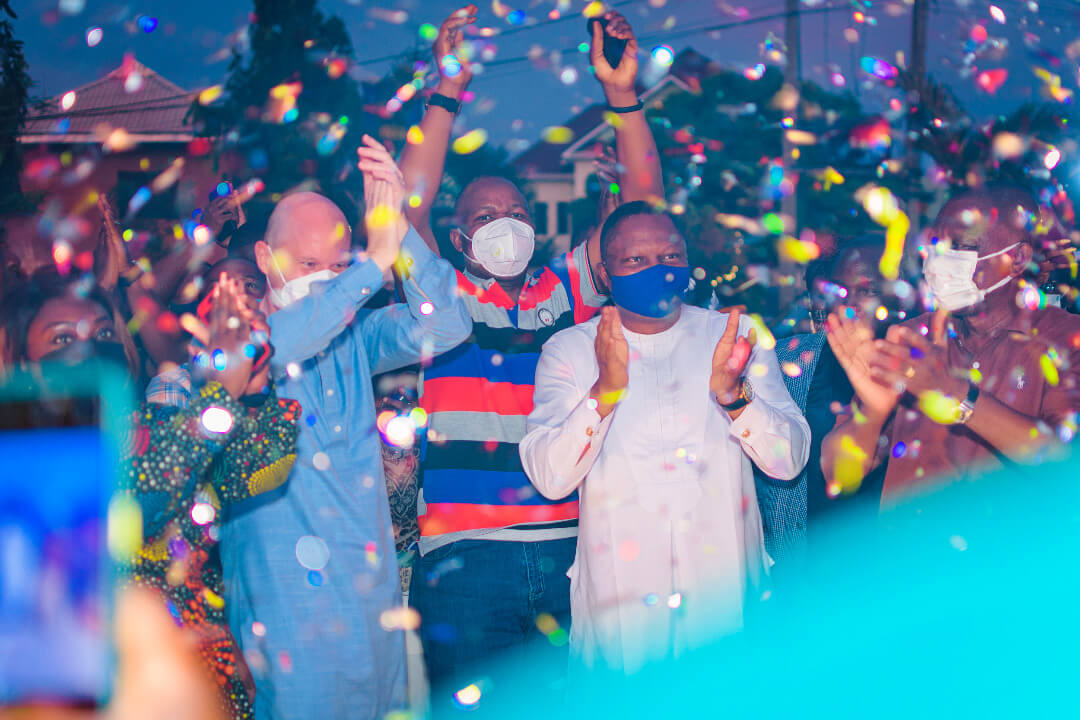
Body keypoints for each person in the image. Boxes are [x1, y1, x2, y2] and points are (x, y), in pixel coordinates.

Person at [399, 7, 664, 685]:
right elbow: (404, 207)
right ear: (458, 239)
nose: (506, 225)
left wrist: (622, 95)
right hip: (464, 560)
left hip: (570, 549)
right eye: (486, 217)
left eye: (517, 213)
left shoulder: (566, 288)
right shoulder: (440, 295)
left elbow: (643, 216)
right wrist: (446, 88)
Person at [208, 136, 469, 720]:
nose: (326, 281)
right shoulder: (239, 349)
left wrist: (399, 236)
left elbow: (449, 325)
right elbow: (275, 345)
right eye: (308, 266)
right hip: (286, 615)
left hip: (371, 604)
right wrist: (370, 267)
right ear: (264, 258)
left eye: (336, 267)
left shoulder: (356, 335)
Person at [519, 201, 810, 672]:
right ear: (605, 273)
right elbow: (551, 478)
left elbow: (789, 460)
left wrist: (735, 398)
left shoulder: (733, 337)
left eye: (670, 257)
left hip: (726, 597)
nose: (657, 270)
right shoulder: (571, 350)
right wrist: (602, 395)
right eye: (635, 260)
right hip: (621, 610)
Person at [1, 270, 300, 720]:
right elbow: (140, 507)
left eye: (103, 333)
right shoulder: (25, 462)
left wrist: (255, 390)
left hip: (203, 685)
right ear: (22, 364)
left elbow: (264, 470)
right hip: (107, 692)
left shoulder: (156, 427)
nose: (89, 348)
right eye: (61, 339)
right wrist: (222, 392)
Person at [822, 185, 1080, 505]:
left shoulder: (1066, 339)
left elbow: (1065, 465)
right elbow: (836, 474)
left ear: (1017, 258)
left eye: (961, 246)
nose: (940, 261)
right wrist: (873, 414)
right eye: (936, 245)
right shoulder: (910, 338)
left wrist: (956, 394)